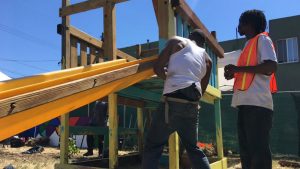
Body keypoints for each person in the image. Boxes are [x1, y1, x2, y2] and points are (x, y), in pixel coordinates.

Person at [142, 29, 212, 169]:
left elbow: (157, 68)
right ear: (202, 43)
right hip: (192, 105)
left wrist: (169, 78)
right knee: (193, 149)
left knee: (153, 145)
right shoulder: (207, 59)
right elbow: (201, 89)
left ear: (190, 36)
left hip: (173, 101)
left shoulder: (178, 41)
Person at [224, 9, 277, 169]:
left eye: (241, 23)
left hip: (258, 105)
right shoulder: (249, 44)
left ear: (250, 24)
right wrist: (234, 74)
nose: (238, 27)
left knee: (257, 154)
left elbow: (271, 66)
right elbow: (251, 71)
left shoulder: (262, 39)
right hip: (246, 104)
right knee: (247, 154)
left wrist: (238, 70)